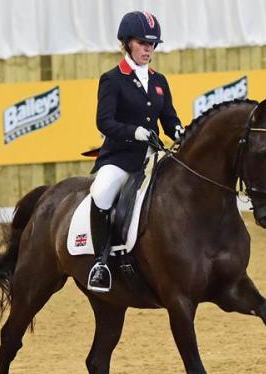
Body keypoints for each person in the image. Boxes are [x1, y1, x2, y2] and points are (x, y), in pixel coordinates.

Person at [87, 10, 185, 293]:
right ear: (127, 43)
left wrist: (179, 131)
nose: (148, 49)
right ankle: (100, 263)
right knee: (102, 192)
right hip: (119, 158)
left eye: (152, 44)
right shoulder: (112, 79)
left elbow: (169, 119)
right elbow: (103, 121)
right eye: (143, 43)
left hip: (150, 159)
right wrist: (134, 132)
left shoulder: (158, 81)